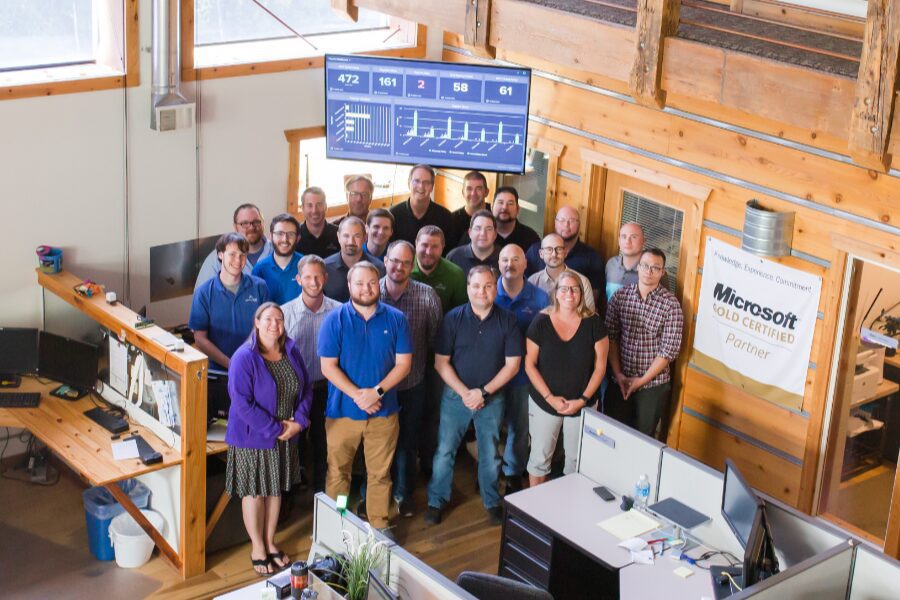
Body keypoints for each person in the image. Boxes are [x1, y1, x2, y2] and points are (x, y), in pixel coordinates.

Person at [318, 262, 412, 532]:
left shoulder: (396, 319)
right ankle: (337, 522)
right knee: (339, 473)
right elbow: (328, 366)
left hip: (384, 412)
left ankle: (379, 524)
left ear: (378, 282)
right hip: (342, 413)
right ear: (349, 286)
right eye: (359, 283)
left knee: (380, 474)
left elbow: (404, 364)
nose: (366, 288)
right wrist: (359, 395)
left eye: (371, 282)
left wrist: (376, 392)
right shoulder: (334, 320)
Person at [426, 266, 523, 526]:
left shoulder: (508, 320)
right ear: (468, 288)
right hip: (455, 397)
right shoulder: (453, 319)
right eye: (477, 286)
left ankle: (492, 501)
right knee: (445, 451)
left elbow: (512, 365)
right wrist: (466, 394)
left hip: (492, 399)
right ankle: (436, 501)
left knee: (489, 452)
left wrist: (484, 392)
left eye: (489, 285)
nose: (482, 291)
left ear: (496, 287)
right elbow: (441, 363)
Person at [225, 302, 312, 575]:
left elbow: (307, 388)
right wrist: (276, 429)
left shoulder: (291, 349)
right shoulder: (244, 357)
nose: (275, 325)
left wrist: (299, 422)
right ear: (257, 322)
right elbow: (241, 403)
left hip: (287, 435)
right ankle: (257, 547)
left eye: (279, 320)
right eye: (269, 319)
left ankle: (270, 541)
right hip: (253, 437)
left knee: (275, 490)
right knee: (255, 492)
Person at [377, 240, 442, 516]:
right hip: (376, 386)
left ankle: (404, 495)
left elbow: (433, 340)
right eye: (394, 260)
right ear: (385, 260)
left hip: (412, 383)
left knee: (407, 441)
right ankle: (377, 493)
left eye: (405, 262)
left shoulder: (427, 296)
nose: (399, 267)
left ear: (412, 264)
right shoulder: (370, 290)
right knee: (378, 442)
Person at [524, 272, 608, 485]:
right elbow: (529, 364)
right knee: (539, 459)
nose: (569, 293)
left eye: (574, 288)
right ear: (556, 293)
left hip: (582, 404)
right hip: (544, 402)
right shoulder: (540, 322)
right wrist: (549, 397)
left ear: (581, 293)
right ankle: (535, 510)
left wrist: (582, 399)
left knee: (576, 462)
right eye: (564, 288)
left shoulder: (594, 323)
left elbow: (600, 368)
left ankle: (569, 510)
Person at [605, 248, 683, 438]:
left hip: (652, 385)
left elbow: (668, 352)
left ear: (662, 272)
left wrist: (641, 381)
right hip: (619, 379)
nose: (649, 271)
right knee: (611, 433)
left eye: (655, 268)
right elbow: (611, 337)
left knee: (642, 439)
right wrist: (618, 374)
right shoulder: (621, 296)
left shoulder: (671, 305)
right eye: (645, 266)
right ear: (638, 267)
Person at [281, 255, 341, 494]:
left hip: (328, 388)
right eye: (308, 277)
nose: (314, 282)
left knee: (324, 444)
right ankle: (289, 497)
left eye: (318, 276)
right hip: (295, 391)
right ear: (298, 279)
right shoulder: (284, 314)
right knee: (292, 445)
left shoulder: (339, 311)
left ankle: (322, 496)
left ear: (325, 278)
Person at [494, 244, 549, 493]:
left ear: (525, 264)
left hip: (524, 375)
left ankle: (513, 472)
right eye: (504, 259)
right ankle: (489, 471)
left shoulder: (540, 298)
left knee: (519, 426)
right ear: (498, 263)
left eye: (515, 259)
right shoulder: (487, 291)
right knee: (490, 426)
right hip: (491, 373)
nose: (509, 264)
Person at [190, 232, 269, 370]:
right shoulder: (203, 293)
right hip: (216, 372)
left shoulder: (260, 287)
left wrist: (244, 360)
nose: (238, 260)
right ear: (220, 255)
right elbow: (200, 339)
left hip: (252, 367)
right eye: (232, 254)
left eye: (242, 255)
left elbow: (263, 328)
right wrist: (230, 363)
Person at [525, 206, 605, 310]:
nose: (566, 225)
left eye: (571, 221)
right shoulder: (534, 252)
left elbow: (589, 308)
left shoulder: (592, 259)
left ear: (565, 252)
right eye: (561, 220)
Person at [195, 204, 273, 289]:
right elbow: (202, 296)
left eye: (256, 222)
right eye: (244, 223)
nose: (251, 227)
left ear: (263, 224)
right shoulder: (217, 259)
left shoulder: (277, 252)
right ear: (235, 227)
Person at [389, 164, 454, 249]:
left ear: (432, 187)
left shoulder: (445, 217)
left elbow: (447, 253)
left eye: (426, 182)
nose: (421, 186)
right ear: (409, 184)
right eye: (416, 181)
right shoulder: (394, 214)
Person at [528, 233, 596, 312]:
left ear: (566, 252)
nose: (554, 254)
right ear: (541, 254)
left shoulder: (582, 281)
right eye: (549, 249)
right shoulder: (532, 282)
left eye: (559, 249)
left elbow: (589, 317)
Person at [323, 216, 385, 302]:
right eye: (346, 236)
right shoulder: (324, 268)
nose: (351, 241)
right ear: (338, 237)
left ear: (365, 238)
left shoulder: (379, 268)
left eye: (357, 236)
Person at [459, 187, 540, 251]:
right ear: (491, 206)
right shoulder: (474, 235)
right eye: (500, 202)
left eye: (510, 203)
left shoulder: (530, 238)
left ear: (518, 209)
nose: (504, 207)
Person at [411, 225, 468, 314]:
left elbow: (461, 312)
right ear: (416, 244)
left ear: (443, 247)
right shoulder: (403, 269)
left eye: (434, 247)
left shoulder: (455, 274)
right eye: (424, 245)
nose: (428, 252)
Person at [605, 221, 668, 300]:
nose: (627, 241)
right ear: (619, 241)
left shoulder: (654, 271)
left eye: (633, 237)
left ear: (644, 241)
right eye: (624, 236)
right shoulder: (611, 264)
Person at [252, 214, 303, 304]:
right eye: (279, 234)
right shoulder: (259, 269)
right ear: (271, 236)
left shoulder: (306, 265)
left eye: (290, 234)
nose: (285, 239)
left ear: (298, 238)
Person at [446, 210, 500, 276]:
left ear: (495, 234)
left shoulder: (505, 258)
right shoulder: (453, 257)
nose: (483, 234)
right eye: (477, 228)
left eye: (488, 229)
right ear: (470, 233)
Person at [449, 171, 490, 248]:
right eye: (469, 189)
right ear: (463, 192)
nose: (473, 193)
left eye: (478, 188)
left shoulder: (495, 214)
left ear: (486, 192)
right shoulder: (452, 220)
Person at [296, 187, 339, 258]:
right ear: (302, 208)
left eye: (319, 205)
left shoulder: (339, 234)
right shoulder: (295, 236)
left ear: (325, 207)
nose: (314, 211)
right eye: (310, 205)